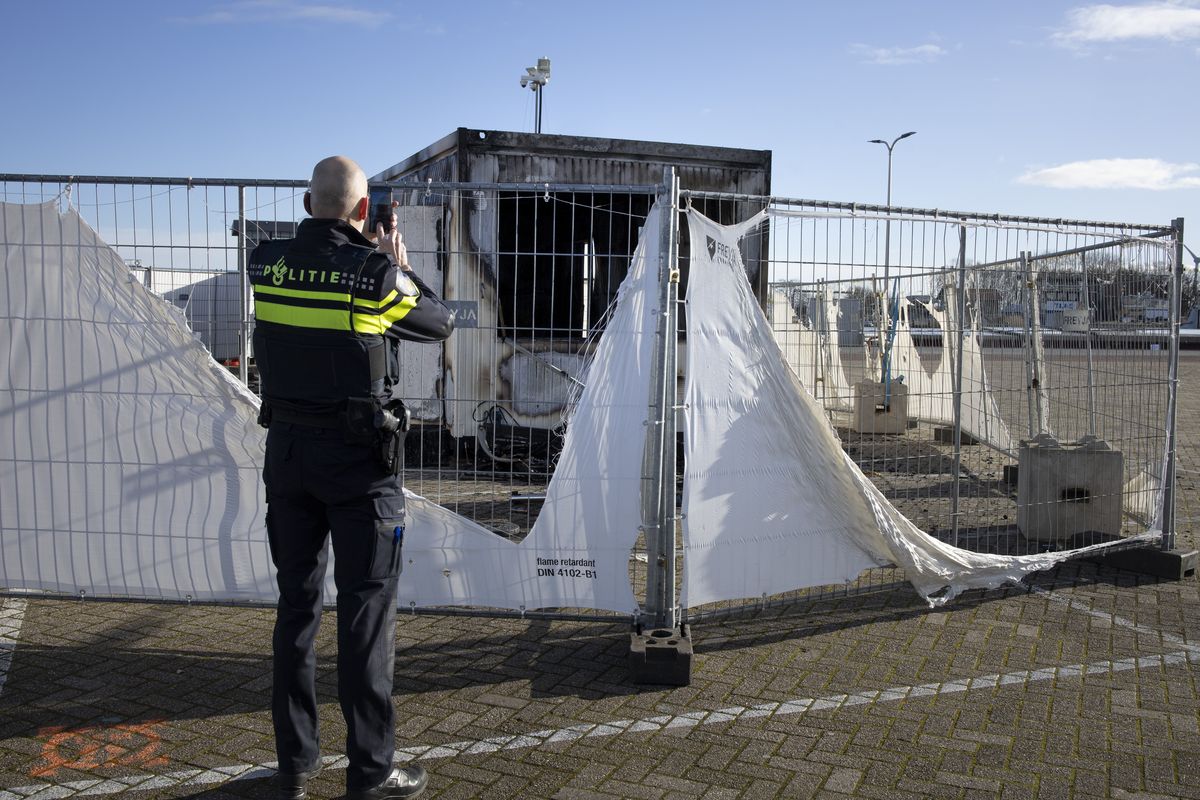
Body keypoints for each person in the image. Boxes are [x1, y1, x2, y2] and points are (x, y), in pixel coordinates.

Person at [249, 156, 454, 800]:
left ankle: (293, 769)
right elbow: (440, 322)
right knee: (365, 615)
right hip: (359, 467)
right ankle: (370, 772)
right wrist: (396, 261)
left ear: (309, 203)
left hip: (286, 457)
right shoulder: (374, 275)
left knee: (296, 611)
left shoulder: (266, 264)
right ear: (365, 212)